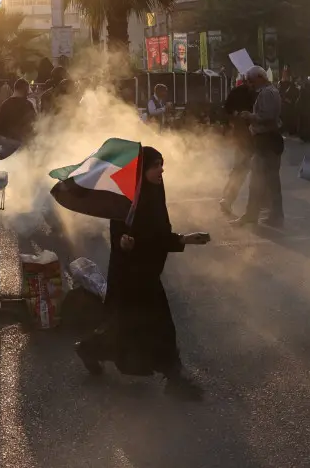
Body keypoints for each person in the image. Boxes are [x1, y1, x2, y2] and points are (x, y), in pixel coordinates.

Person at [74, 147, 209, 400]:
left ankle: (90, 350)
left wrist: (185, 239)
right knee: (148, 327)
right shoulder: (127, 200)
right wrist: (123, 243)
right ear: (141, 171)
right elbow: (119, 234)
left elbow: (156, 237)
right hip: (129, 277)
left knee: (131, 329)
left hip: (146, 274)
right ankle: (174, 376)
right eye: (154, 166)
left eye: (161, 164)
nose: (160, 170)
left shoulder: (155, 194)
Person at [231, 67, 284, 228]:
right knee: (269, 182)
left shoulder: (267, 93)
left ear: (261, 77)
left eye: (251, 80)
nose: (250, 84)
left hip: (266, 141)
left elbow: (267, 117)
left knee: (259, 181)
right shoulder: (269, 91)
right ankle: (272, 215)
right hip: (267, 140)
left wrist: (249, 116)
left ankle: (253, 215)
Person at [218, 79, 256, 217]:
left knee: (239, 169)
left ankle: (227, 198)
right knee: (253, 171)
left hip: (241, 135)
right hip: (251, 136)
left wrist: (233, 119)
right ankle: (228, 199)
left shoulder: (237, 91)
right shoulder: (258, 93)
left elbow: (226, 110)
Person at [0, 78, 36, 146]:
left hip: (7, 143)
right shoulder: (27, 105)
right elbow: (34, 123)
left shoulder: (5, 104)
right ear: (25, 90)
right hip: (22, 143)